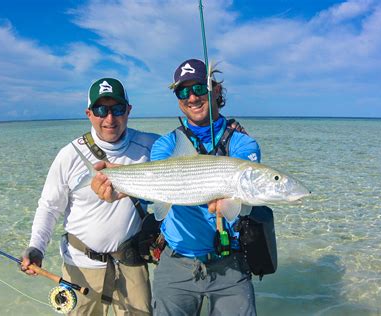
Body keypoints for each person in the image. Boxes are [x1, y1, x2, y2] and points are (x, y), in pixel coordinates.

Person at [92, 59, 261, 315]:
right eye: (183, 91)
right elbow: (159, 195)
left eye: (199, 89)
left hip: (230, 261)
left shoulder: (242, 144)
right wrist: (122, 184)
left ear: (216, 91)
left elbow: (249, 200)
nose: (191, 97)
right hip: (176, 262)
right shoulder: (166, 145)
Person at [21, 77, 159, 315]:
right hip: (81, 267)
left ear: (129, 110)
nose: (109, 118)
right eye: (100, 110)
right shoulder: (69, 155)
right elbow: (49, 207)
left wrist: (228, 131)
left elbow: (189, 164)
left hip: (132, 263)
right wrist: (36, 248)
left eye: (117, 109)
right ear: (88, 113)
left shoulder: (152, 146)